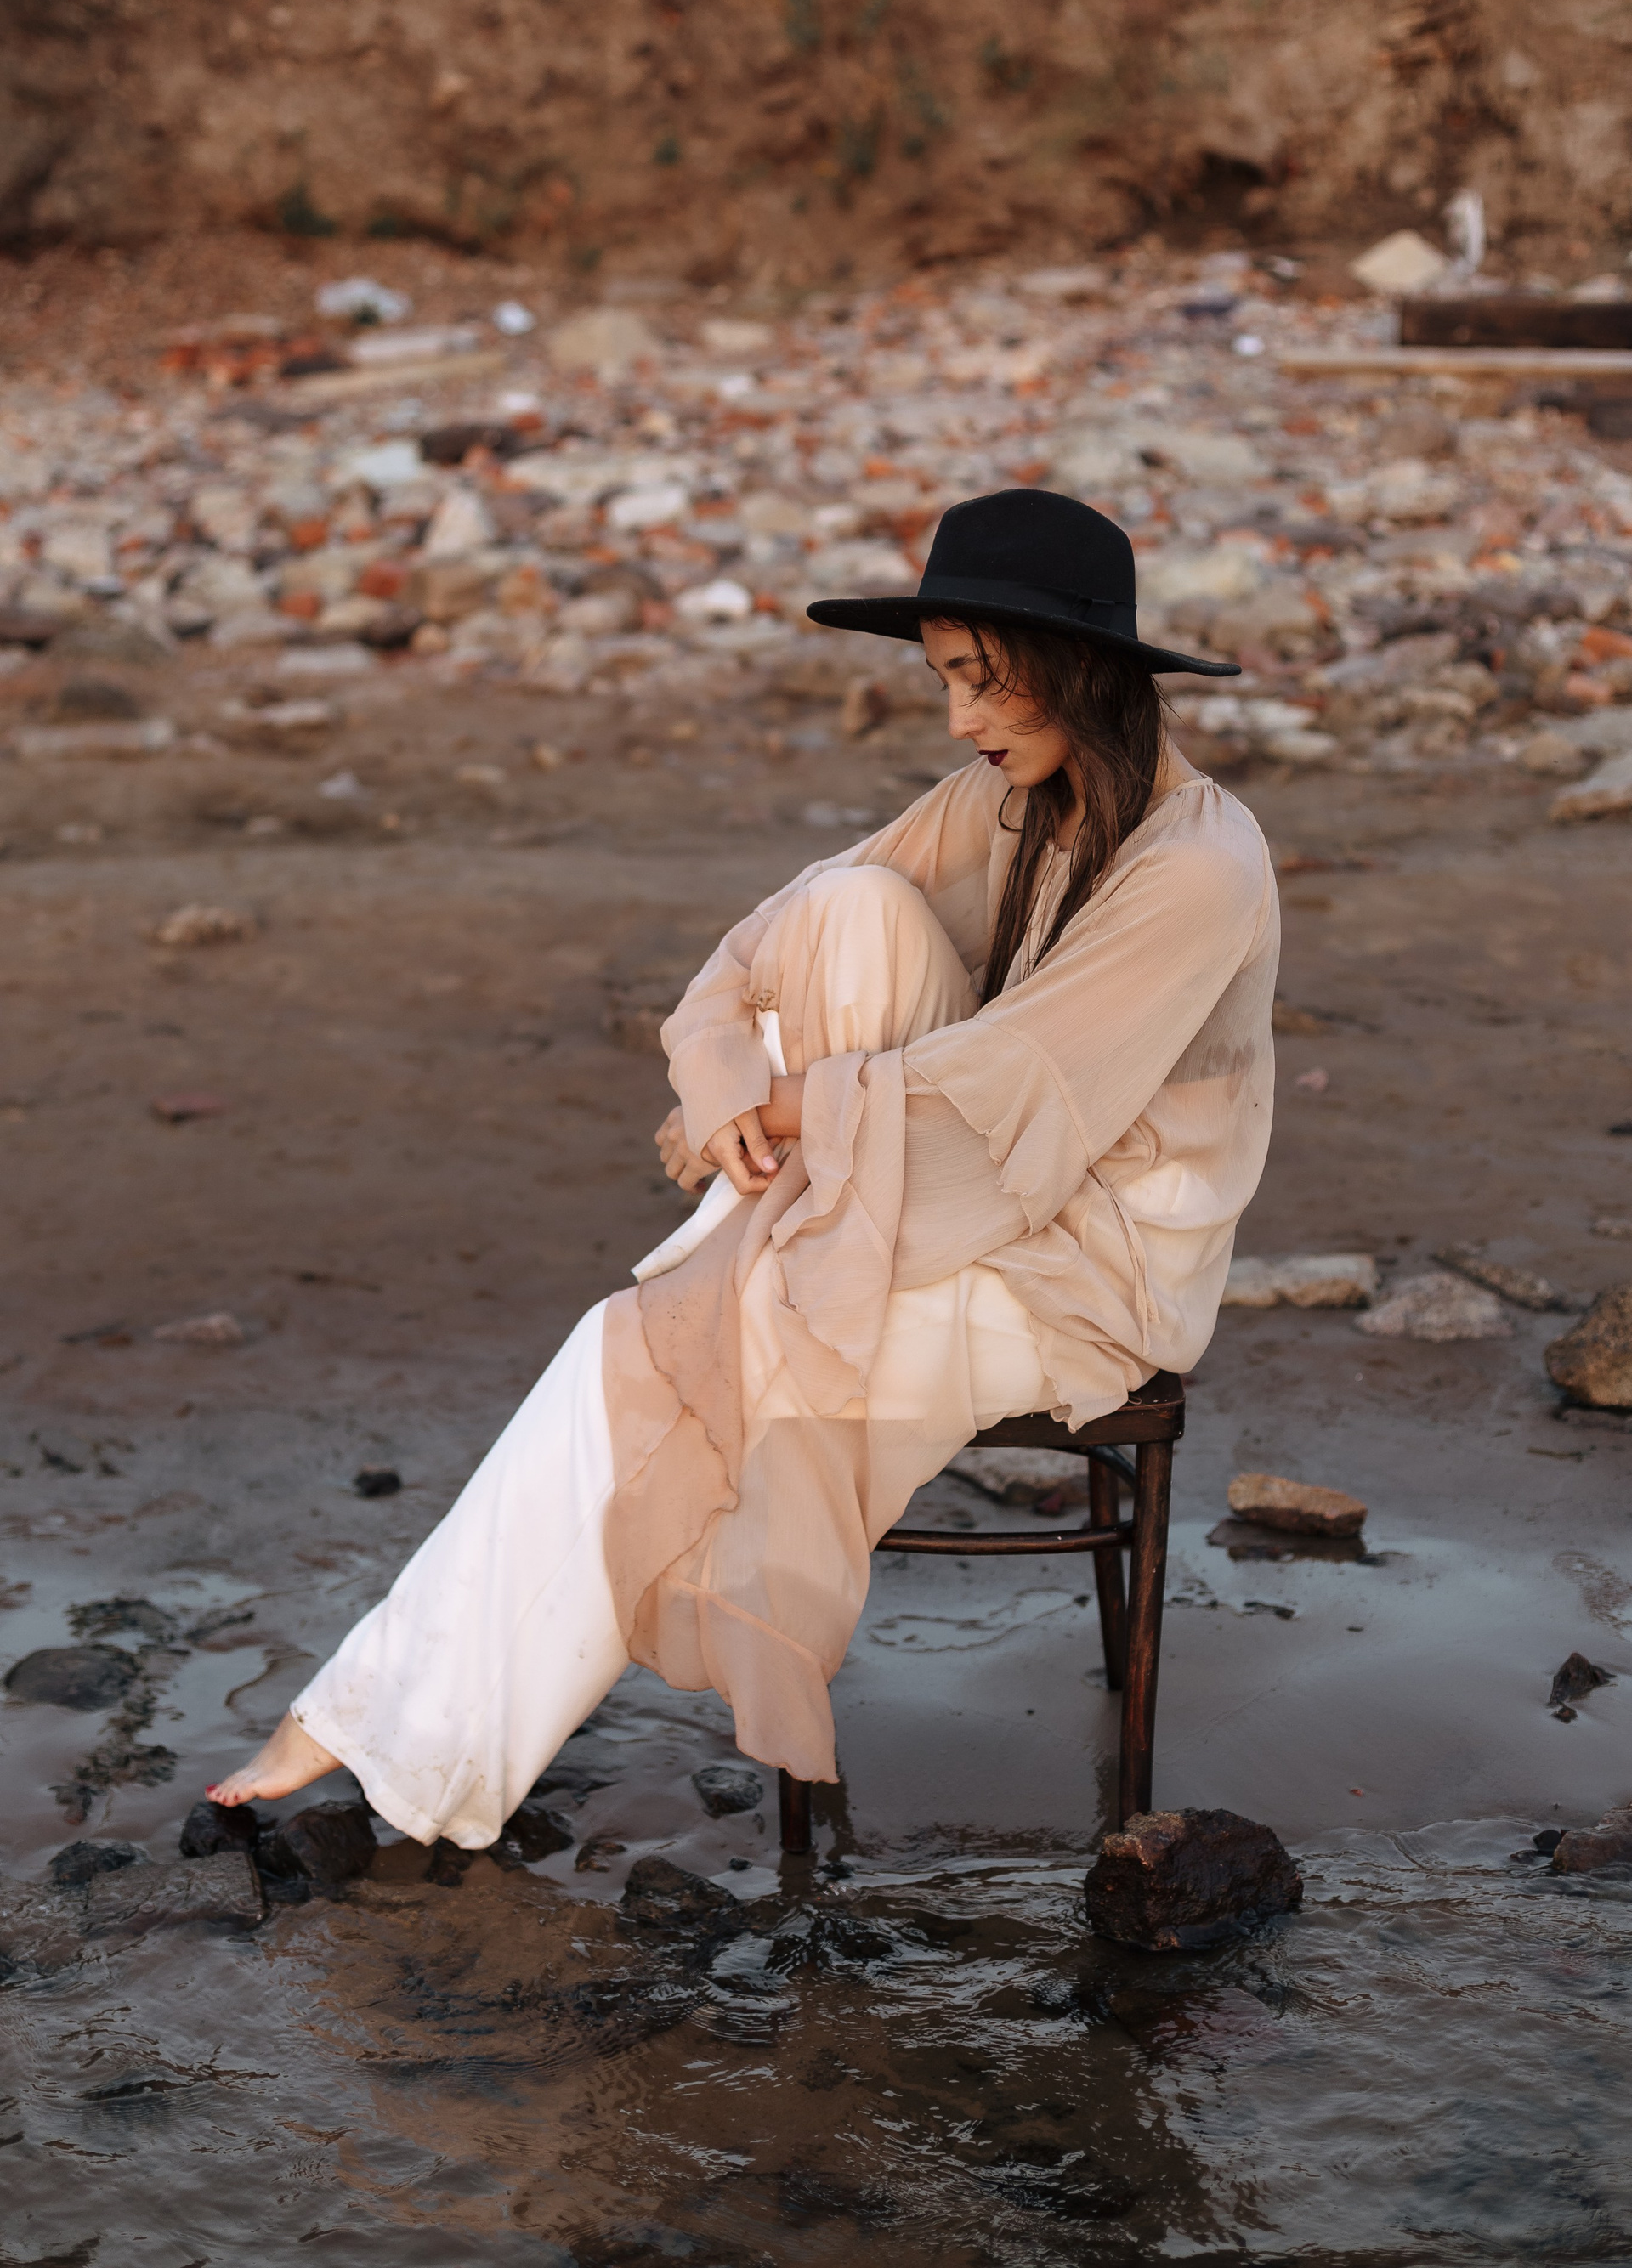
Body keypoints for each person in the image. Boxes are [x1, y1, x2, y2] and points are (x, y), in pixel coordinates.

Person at [209, 488, 1278, 1847]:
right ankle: (399, 1721)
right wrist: (724, 1083)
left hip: (1089, 1270)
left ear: (1076, 666)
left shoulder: (1203, 864)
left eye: (979, 678)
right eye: (944, 680)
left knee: (666, 1341)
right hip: (940, 1188)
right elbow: (759, 945)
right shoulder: (1005, 805)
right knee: (846, 908)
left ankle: (385, 1731)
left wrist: (781, 1109)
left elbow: (1012, 1079)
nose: (959, 718)